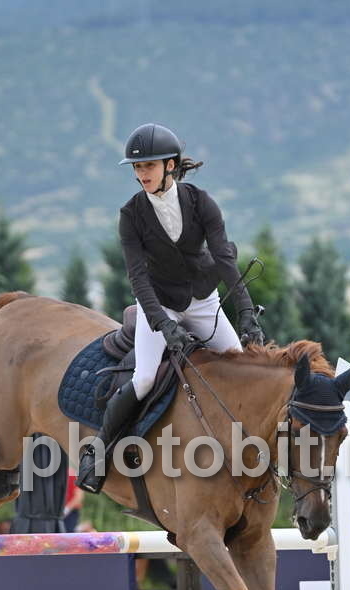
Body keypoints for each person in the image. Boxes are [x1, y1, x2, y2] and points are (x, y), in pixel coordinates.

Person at [77, 122, 264, 493]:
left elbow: (224, 258)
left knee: (240, 364)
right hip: (158, 302)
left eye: (148, 166)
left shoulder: (201, 202)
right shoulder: (131, 214)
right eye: (137, 167)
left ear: (171, 165)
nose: (141, 174)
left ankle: (257, 452)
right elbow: (138, 277)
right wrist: (163, 323)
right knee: (145, 378)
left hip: (203, 300)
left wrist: (245, 310)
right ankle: (97, 452)